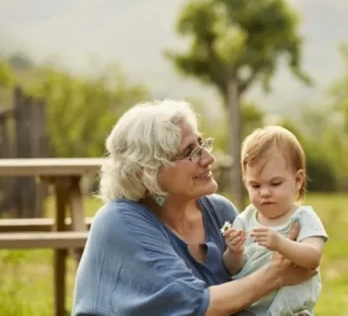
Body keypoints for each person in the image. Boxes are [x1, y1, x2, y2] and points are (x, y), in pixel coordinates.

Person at [72, 100, 316, 316]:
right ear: (150, 170)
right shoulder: (120, 221)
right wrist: (277, 275)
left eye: (202, 144)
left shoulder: (221, 213)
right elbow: (195, 305)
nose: (208, 158)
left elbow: (245, 301)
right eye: (190, 152)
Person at [222, 125, 328, 316]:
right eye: (255, 185)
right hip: (250, 310)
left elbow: (313, 257)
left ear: (297, 181)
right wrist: (234, 251)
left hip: (292, 311)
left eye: (275, 183)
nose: (264, 193)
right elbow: (232, 269)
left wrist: (280, 243)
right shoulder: (245, 219)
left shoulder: (303, 218)